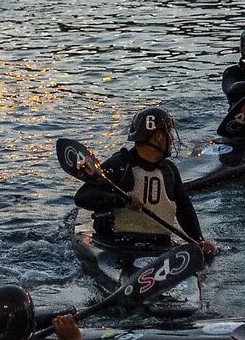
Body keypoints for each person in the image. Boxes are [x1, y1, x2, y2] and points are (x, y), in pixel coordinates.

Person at [74, 106, 214, 256]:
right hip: (117, 246)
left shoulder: (170, 171)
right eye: (168, 132)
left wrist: (198, 240)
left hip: (160, 247)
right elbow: (82, 197)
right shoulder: (120, 165)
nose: (172, 138)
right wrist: (120, 200)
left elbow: (184, 209)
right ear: (158, 137)